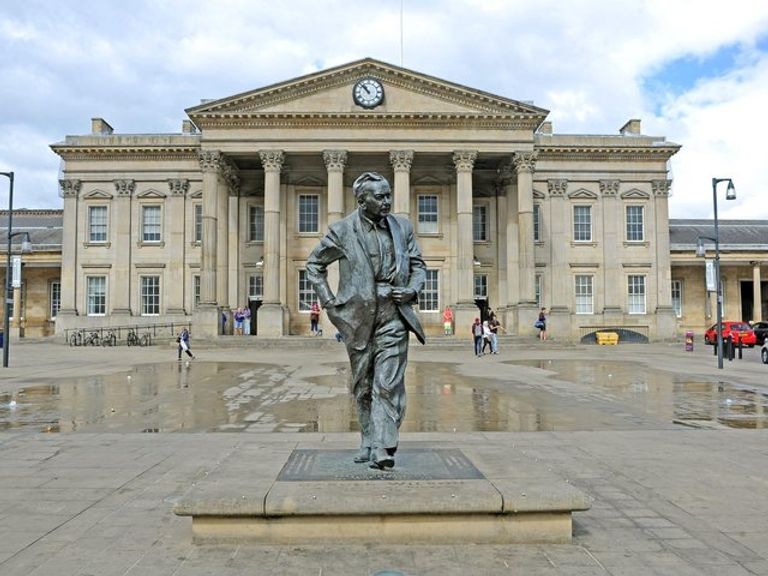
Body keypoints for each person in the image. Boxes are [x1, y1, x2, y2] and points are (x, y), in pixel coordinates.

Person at [306, 172, 426, 470]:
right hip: (357, 318)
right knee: (363, 385)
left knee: (387, 382)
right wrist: (330, 303)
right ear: (362, 201)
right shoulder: (343, 230)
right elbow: (314, 264)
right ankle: (369, 440)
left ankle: (384, 446)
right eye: (381, 197)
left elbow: (419, 266)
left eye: (388, 195)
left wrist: (411, 289)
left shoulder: (402, 227)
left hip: (394, 314)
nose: (388, 201)